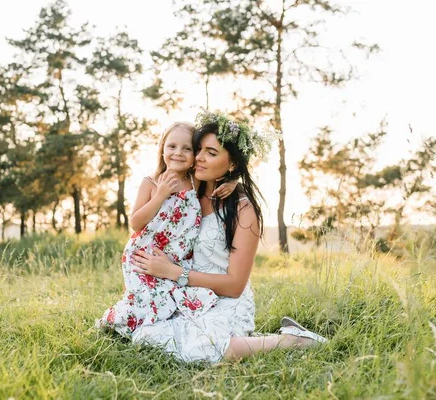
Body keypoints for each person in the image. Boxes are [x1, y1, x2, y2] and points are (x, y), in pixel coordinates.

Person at [130, 110, 327, 363]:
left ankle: (292, 341)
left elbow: (235, 285)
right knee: (146, 337)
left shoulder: (244, 211)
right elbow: (146, 218)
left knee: (202, 349)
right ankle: (251, 341)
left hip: (226, 299)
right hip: (190, 295)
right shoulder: (192, 190)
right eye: (198, 149)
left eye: (211, 153)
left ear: (232, 163)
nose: (199, 158)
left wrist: (174, 272)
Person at [96, 122, 237, 338]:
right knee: (145, 299)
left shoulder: (195, 182)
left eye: (186, 148)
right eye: (171, 146)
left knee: (175, 299)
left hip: (177, 259)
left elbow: (223, 170)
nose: (178, 153)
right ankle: (117, 324)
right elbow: (136, 223)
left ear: (194, 155)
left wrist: (234, 182)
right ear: (162, 149)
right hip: (145, 253)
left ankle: (160, 329)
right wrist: (160, 195)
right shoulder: (151, 182)